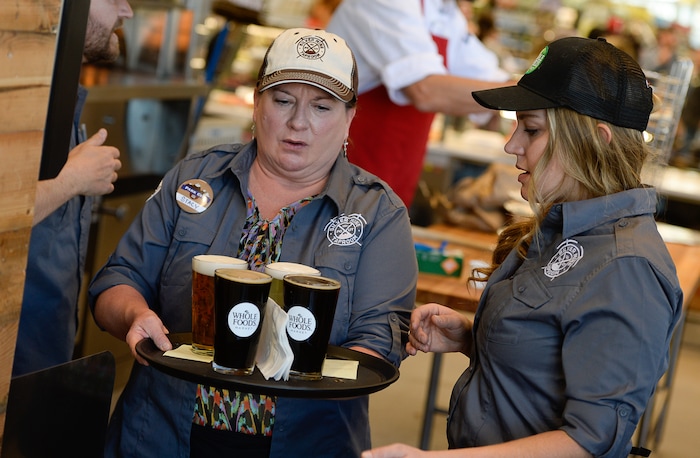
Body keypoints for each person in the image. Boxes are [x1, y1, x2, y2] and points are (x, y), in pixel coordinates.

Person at [88, 27, 417, 457]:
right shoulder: (196, 178)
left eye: (322, 106)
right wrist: (133, 314)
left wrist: (301, 374)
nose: (299, 122)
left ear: (349, 118)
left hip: (302, 444)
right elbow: (118, 279)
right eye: (283, 101)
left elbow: (379, 345)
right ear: (256, 102)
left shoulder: (378, 213)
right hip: (160, 434)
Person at [362, 37, 683, 458]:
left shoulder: (627, 268)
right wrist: (474, 336)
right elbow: (558, 356)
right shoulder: (564, 228)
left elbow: (590, 439)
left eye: (531, 129)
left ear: (597, 139)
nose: (512, 144)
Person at [12, 0, 129, 378]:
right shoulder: (14, 96)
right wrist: (70, 183)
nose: (126, 11)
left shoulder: (61, 94)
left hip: (42, 364)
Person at [326, 0, 514, 208]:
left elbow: (488, 76)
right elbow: (424, 90)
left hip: (398, 172)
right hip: (349, 165)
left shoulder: (447, 13)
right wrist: (521, 94)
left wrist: (528, 92)